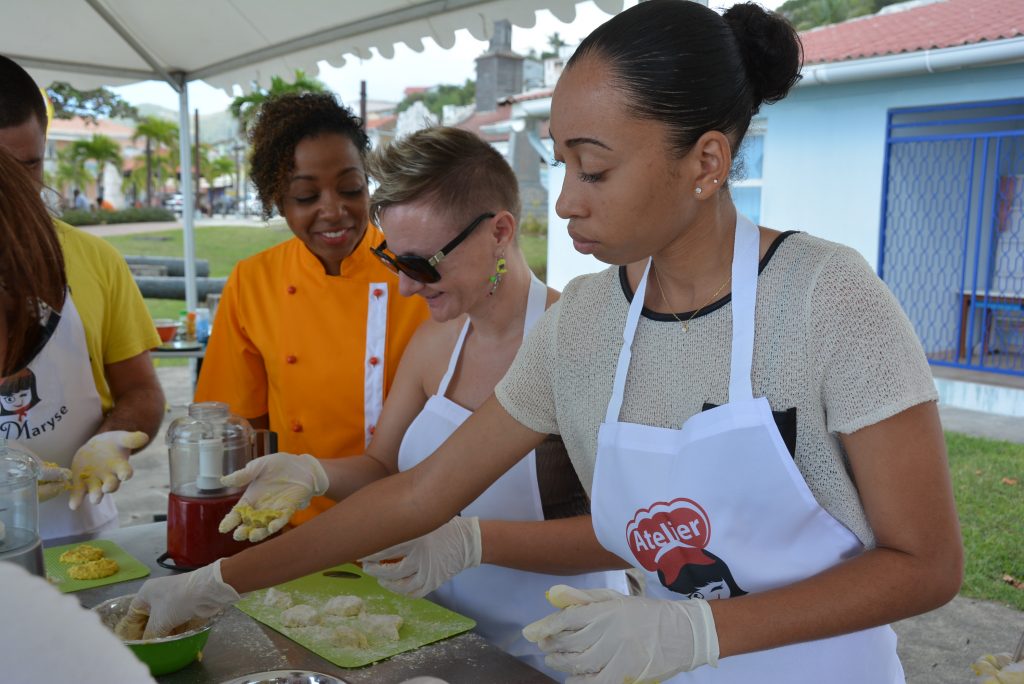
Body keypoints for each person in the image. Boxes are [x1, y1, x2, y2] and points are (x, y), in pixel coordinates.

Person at [132, 3, 963, 683]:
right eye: (560, 165)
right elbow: (419, 494)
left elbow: (926, 564)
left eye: (593, 170)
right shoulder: (589, 325)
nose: (564, 204)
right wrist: (217, 583)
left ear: (707, 162)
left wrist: (699, 633)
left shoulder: (827, 299)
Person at [214, 127, 628, 677]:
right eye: (394, 262)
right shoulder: (439, 339)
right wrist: (313, 473)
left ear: (500, 232)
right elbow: (383, 467)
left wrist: (473, 541)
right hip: (437, 638)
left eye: (422, 265)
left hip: (556, 653)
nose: (407, 290)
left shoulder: (581, 343)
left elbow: (627, 536)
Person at [193, 93, 429, 525]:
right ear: (277, 201)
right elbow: (238, 424)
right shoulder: (253, 281)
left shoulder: (417, 270)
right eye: (305, 196)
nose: (333, 210)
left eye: (351, 189)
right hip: (298, 519)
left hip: (412, 514)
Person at [0, 54, 163, 540]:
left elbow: (142, 391)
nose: (15, 193)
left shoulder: (94, 259)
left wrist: (113, 439)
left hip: (77, 534)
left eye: (29, 166)